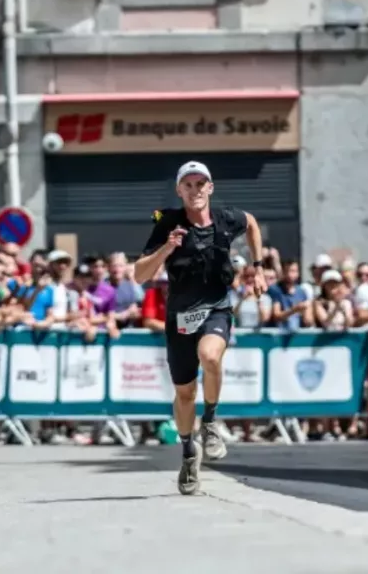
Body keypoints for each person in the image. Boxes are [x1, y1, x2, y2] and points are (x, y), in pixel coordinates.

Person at [134, 161, 266, 496]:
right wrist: (167, 248)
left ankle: (210, 421)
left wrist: (258, 267)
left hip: (216, 308)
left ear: (210, 187)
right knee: (184, 393)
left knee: (210, 357)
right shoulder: (167, 223)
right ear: (179, 191)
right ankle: (189, 452)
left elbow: (251, 224)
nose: (195, 191)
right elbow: (140, 274)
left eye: (200, 184)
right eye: (188, 185)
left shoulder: (225, 218)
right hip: (180, 317)